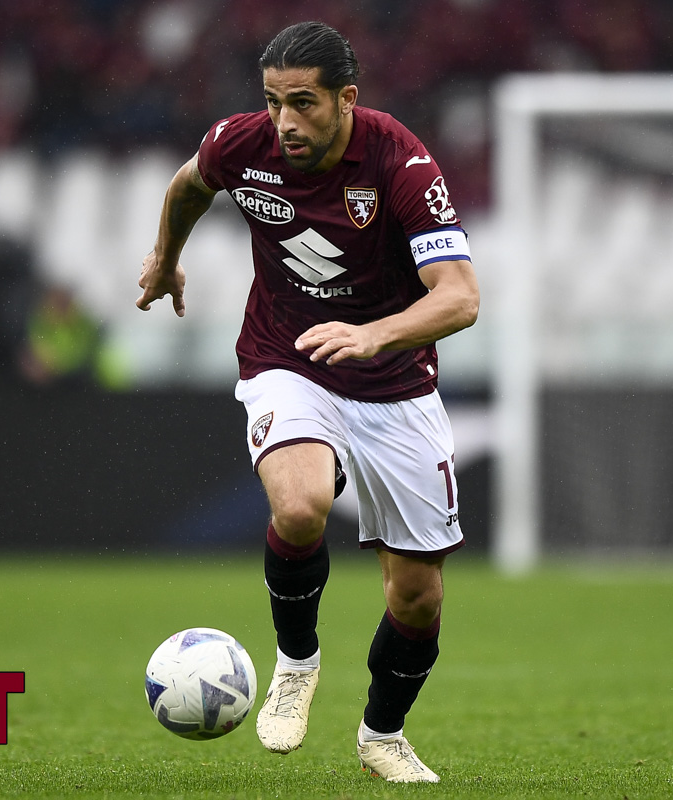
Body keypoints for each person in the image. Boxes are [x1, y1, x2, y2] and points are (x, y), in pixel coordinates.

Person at [136, 21, 479, 783]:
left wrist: (376, 335)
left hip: (393, 379)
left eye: (303, 103)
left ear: (345, 99)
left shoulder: (400, 162)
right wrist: (166, 258)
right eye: (272, 101)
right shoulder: (241, 144)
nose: (284, 121)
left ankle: (382, 736)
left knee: (417, 599)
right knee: (299, 507)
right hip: (287, 357)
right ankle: (296, 662)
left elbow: (459, 298)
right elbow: (188, 185)